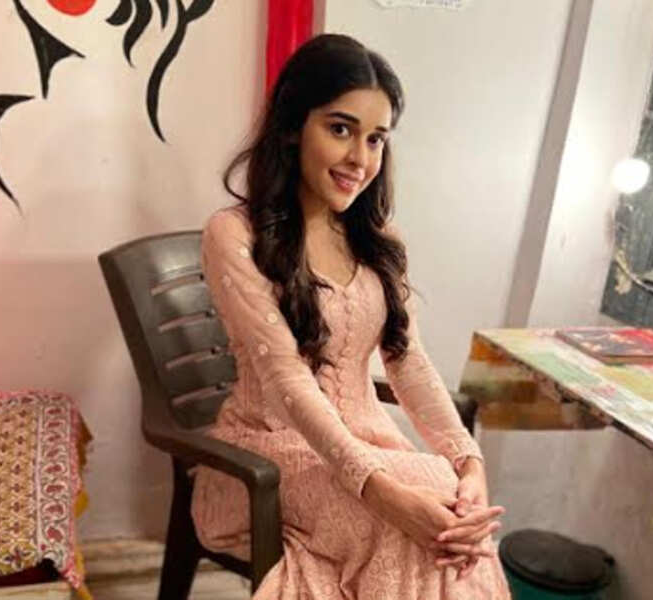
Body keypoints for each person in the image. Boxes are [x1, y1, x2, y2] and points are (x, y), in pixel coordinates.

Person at [191, 33, 511, 599]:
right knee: (408, 524)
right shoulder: (233, 235)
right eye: (340, 129)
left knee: (449, 507)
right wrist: (380, 490)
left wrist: (469, 463)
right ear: (294, 127)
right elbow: (287, 380)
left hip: (368, 438)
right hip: (268, 449)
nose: (360, 159)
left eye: (376, 138)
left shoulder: (378, 240)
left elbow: (409, 361)